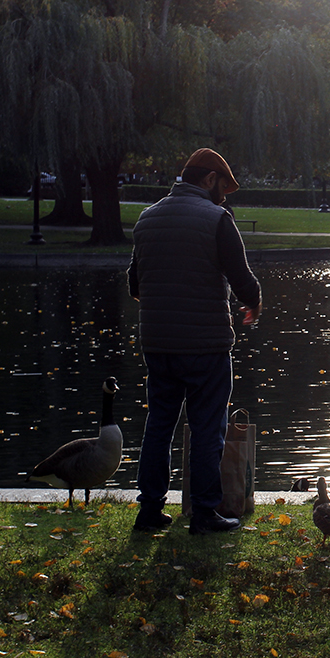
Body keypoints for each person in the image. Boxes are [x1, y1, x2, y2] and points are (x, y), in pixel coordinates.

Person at [128, 148, 261, 535]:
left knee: (158, 425)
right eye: (222, 185)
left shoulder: (147, 219)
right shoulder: (217, 219)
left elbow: (135, 285)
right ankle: (204, 512)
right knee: (207, 428)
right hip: (206, 345)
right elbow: (242, 279)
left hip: (157, 344)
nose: (224, 195)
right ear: (207, 180)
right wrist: (254, 303)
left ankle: (149, 509)